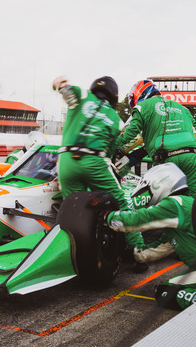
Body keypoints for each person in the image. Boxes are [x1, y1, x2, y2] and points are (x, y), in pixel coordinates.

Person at [104, 163, 196, 310]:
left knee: (165, 293)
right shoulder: (183, 209)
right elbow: (158, 248)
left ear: (159, 184)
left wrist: (108, 217)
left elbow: (139, 220)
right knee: (165, 290)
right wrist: (133, 254)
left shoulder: (174, 204)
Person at [52, 76, 146, 261]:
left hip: (66, 162)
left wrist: (60, 85)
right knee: (122, 202)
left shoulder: (84, 96)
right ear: (114, 96)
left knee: (73, 211)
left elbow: (68, 91)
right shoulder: (116, 119)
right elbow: (110, 152)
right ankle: (139, 249)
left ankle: (73, 256)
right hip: (94, 161)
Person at [117, 79, 196, 197]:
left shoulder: (142, 106)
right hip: (192, 157)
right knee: (195, 202)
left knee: (163, 203)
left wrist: (112, 146)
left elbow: (130, 134)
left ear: (139, 94)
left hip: (165, 159)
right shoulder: (182, 108)